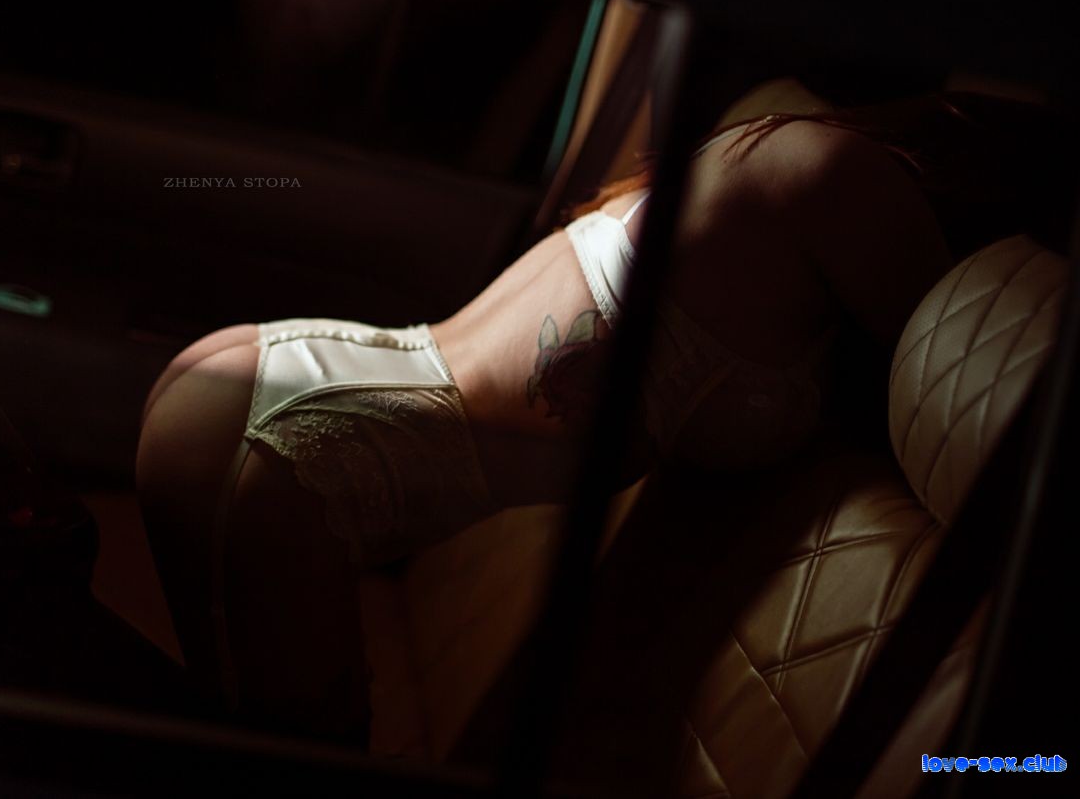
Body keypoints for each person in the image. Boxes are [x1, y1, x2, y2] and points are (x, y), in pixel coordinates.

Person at [134, 90, 1045, 745]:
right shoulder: (839, 180)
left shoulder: (754, 145)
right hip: (291, 465)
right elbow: (956, 372)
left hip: (267, 378)